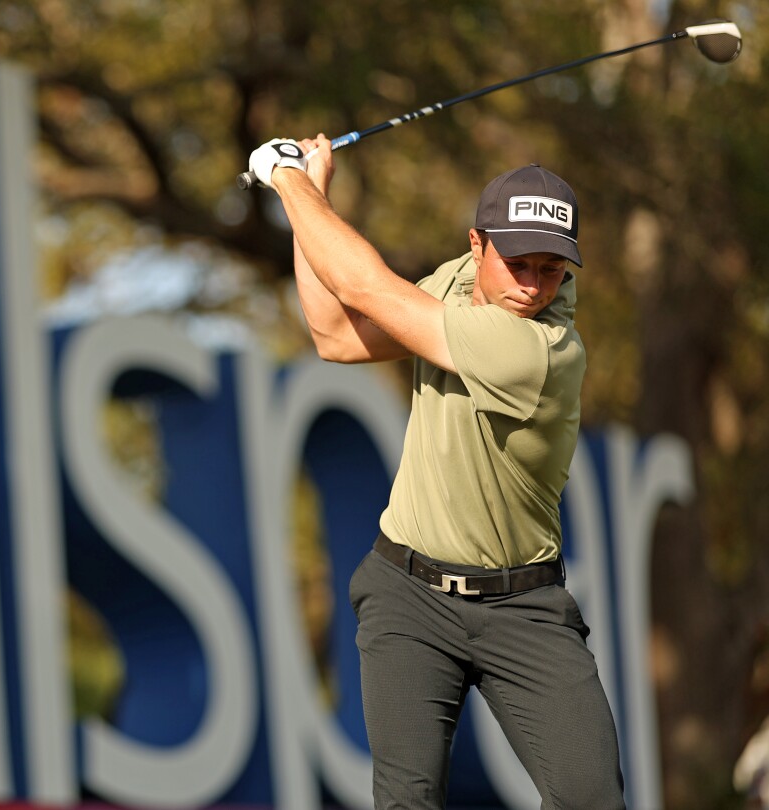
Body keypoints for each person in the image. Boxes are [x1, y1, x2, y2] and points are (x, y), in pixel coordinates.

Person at [247, 135, 625, 809]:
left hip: (524, 608)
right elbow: (334, 334)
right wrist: (316, 196)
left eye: (552, 269)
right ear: (476, 245)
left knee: (591, 797)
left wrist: (289, 180)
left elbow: (365, 284)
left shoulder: (541, 351)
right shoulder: (453, 285)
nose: (533, 286)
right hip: (409, 595)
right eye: (518, 263)